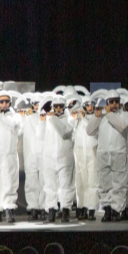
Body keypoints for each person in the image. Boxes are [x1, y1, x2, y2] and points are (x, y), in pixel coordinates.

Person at [86, 91, 128, 223]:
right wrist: (96, 117)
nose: (114, 104)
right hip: (103, 153)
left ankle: (116, 210)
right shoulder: (102, 117)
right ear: (107, 103)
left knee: (119, 183)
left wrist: (110, 114)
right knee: (103, 183)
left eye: (116, 101)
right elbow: (89, 131)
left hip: (118, 152)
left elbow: (121, 126)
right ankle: (107, 210)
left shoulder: (124, 115)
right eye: (111, 102)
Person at [41, 95, 78, 223]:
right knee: (50, 186)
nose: (57, 109)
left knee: (66, 185)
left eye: (60, 106)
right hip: (49, 157)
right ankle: (51, 212)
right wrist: (42, 119)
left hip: (64, 157)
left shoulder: (70, 120)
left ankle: (65, 211)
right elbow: (39, 135)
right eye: (55, 106)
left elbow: (64, 131)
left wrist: (51, 117)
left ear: (64, 107)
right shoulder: (48, 119)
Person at [0, 90, 23, 224]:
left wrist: (0, 116)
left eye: (7, 101)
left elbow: (12, 125)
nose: (4, 104)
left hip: (9, 153)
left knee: (9, 182)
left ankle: (9, 209)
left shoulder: (15, 116)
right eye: (2, 101)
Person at [74, 97, 99, 220]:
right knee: (80, 181)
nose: (90, 107)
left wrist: (83, 118)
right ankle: (81, 206)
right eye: (87, 105)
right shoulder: (77, 120)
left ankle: (91, 209)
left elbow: (91, 131)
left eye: (92, 105)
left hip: (92, 151)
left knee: (92, 181)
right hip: (79, 153)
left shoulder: (96, 118)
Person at [20, 97, 45, 219]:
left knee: (44, 181)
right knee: (31, 182)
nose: (37, 106)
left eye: (39, 104)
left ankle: (44, 207)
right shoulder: (27, 117)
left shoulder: (45, 118)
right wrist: (23, 117)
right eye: (35, 104)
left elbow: (40, 131)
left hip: (43, 153)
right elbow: (19, 130)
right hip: (30, 153)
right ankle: (33, 207)